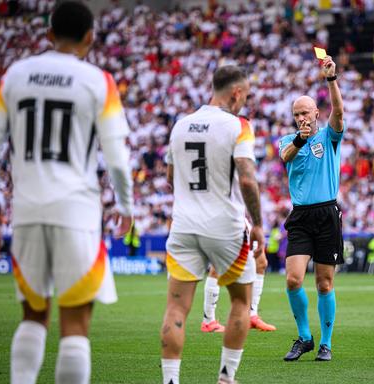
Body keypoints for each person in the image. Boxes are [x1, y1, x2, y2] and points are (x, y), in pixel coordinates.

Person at [0, 2, 134, 383]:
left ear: (48, 34)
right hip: (77, 212)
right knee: (75, 323)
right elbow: (116, 155)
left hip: (27, 210)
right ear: (89, 38)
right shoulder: (99, 81)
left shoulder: (15, 75)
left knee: (33, 316)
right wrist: (126, 206)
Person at [160, 65, 264, 384]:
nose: (245, 100)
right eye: (245, 94)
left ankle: (170, 380)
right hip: (226, 227)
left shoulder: (181, 125)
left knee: (176, 308)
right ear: (236, 92)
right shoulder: (238, 126)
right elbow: (246, 178)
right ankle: (225, 377)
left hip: (184, 225)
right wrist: (258, 223)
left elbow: (169, 178)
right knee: (241, 303)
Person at [279, 55, 345, 362]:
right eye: (296, 114)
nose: (301, 117)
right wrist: (299, 138)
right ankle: (305, 337)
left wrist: (331, 80)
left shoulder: (329, 136)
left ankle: (326, 343)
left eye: (305, 112)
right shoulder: (289, 139)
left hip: (327, 213)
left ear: (316, 112)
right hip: (302, 215)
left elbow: (340, 113)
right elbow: (286, 156)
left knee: (324, 282)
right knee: (293, 278)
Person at [201, 247, 276, 333]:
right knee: (218, 266)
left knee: (261, 263)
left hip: (247, 234)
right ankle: (208, 321)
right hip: (228, 234)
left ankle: (252, 316)